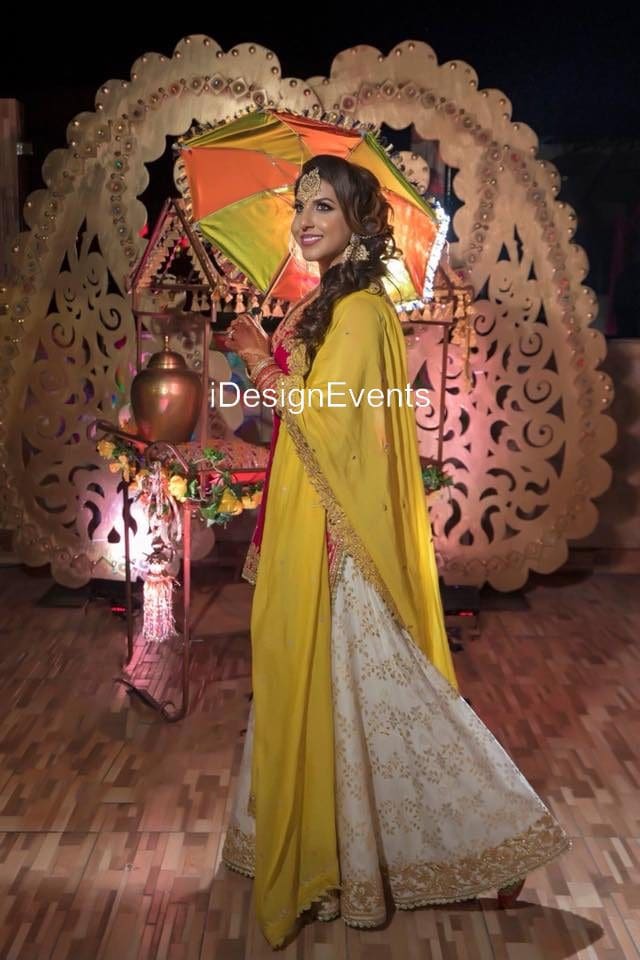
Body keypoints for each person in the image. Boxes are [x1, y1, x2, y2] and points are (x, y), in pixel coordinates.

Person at [222, 155, 569, 948]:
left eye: (325, 209)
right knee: (358, 710)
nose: (307, 220)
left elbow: (336, 424)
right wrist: (264, 356)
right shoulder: (329, 308)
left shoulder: (363, 314)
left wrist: (256, 364)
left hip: (341, 548)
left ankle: (490, 836)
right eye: (301, 206)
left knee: (392, 701)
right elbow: (310, 407)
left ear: (356, 224)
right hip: (318, 530)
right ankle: (358, 852)